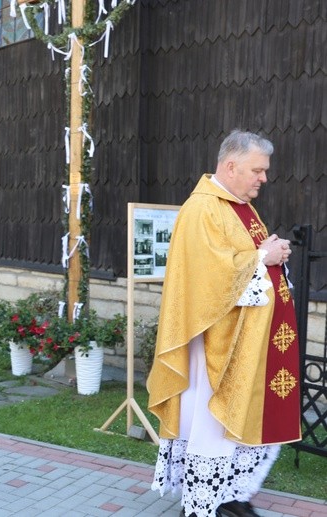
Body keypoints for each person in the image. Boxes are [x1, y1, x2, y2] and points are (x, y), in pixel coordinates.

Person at [147, 130, 300, 517]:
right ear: (231, 166)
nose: (263, 178)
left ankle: (229, 495)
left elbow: (244, 258)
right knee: (211, 419)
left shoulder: (239, 206)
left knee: (239, 422)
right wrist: (261, 257)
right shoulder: (203, 208)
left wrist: (270, 253)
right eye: (257, 170)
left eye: (264, 171)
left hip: (245, 340)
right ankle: (201, 503)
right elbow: (207, 277)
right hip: (213, 344)